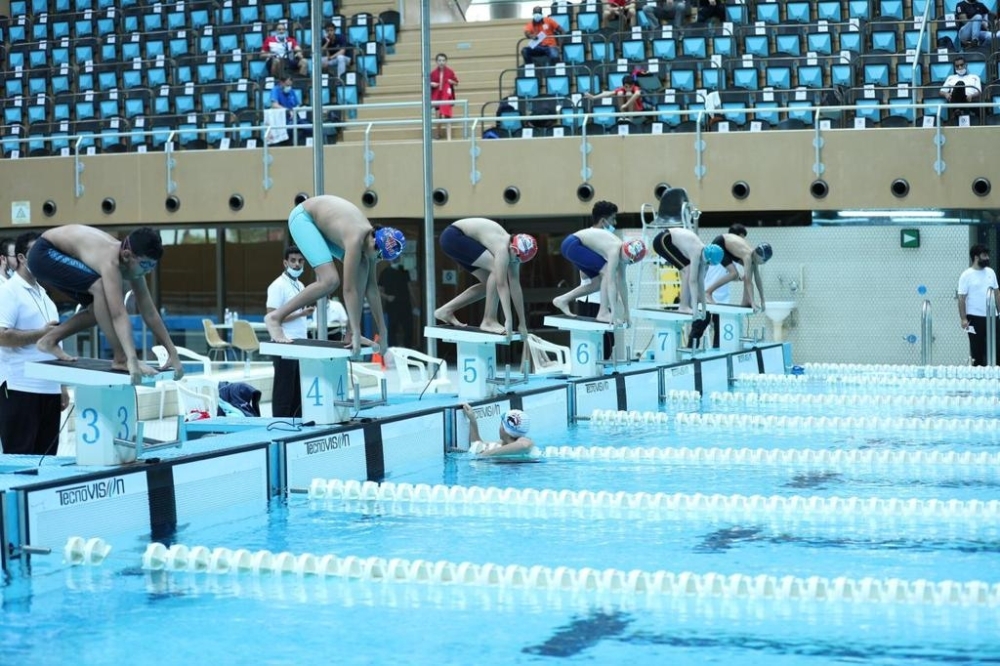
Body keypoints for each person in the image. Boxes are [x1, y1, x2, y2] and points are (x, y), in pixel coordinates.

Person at [26, 226, 184, 384]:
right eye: (145, 265)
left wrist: (173, 352)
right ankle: (120, 358)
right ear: (127, 255)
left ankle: (49, 340)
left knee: (99, 309)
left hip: (62, 255)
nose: (148, 271)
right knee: (100, 288)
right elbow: (118, 314)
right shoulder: (110, 262)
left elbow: (150, 312)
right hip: (43, 253)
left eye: (152, 266)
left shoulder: (133, 261)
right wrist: (131, 359)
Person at [264, 195, 406, 359]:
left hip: (321, 225)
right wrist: (358, 329)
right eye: (378, 254)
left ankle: (350, 333)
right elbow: (349, 289)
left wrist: (383, 330)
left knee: (363, 267)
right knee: (330, 280)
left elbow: (372, 289)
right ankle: (275, 317)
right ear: (375, 240)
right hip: (303, 219)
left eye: (382, 258)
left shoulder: (371, 244)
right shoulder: (356, 238)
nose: (377, 259)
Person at [0, 232, 70, 455]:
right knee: (20, 458)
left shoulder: (45, 296)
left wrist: (61, 386)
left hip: (49, 389)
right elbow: (1, 336)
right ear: (21, 258)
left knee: (46, 459)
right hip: (20, 387)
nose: (43, 259)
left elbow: (55, 344)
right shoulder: (8, 291)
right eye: (37, 253)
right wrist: (40, 334)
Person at [435, 218, 538, 337]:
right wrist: (508, 320)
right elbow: (501, 284)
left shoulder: (514, 252)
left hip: (456, 240)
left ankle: (445, 311)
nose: (514, 263)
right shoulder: (502, 248)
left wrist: (522, 323)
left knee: (489, 285)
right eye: (515, 259)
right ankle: (489, 320)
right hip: (453, 237)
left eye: (518, 262)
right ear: (513, 249)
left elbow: (515, 286)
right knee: (495, 271)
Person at [552, 228, 648, 327]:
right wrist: (613, 312)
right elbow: (611, 283)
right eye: (628, 260)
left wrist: (627, 311)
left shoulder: (623, 254)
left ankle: (562, 300)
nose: (626, 263)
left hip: (572, 246)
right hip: (573, 244)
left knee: (596, 284)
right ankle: (603, 312)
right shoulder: (614, 251)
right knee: (606, 271)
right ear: (626, 250)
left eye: (630, 262)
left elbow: (622, 283)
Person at [266, 245, 315, 418]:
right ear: (285, 263)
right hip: (284, 343)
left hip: (299, 343)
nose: (297, 264)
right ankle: (281, 423)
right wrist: (301, 314)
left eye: (300, 261)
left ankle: (297, 421)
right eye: (293, 261)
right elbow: (272, 317)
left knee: (297, 390)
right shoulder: (278, 286)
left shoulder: (300, 285)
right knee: (284, 390)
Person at [689, 224, 747, 348]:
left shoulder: (733, 256)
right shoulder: (718, 252)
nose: (742, 243)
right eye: (741, 239)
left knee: (720, 334)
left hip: (722, 300)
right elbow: (731, 273)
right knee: (698, 329)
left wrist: (740, 278)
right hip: (707, 298)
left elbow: (728, 275)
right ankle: (690, 353)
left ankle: (717, 356)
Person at [651, 227, 723, 318]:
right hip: (663, 239)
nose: (707, 265)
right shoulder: (696, 252)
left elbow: (700, 282)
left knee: (688, 269)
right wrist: (695, 309)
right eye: (708, 263)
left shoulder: (704, 254)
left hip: (670, 239)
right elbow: (693, 281)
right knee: (687, 269)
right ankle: (683, 306)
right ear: (708, 259)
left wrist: (704, 309)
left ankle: (686, 306)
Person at [704, 232, 772, 312]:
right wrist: (753, 302)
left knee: (749, 271)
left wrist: (762, 300)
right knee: (734, 274)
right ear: (761, 258)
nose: (763, 263)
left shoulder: (754, 256)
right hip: (720, 244)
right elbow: (749, 282)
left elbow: (758, 279)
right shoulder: (748, 256)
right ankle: (708, 292)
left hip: (728, 247)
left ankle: (746, 300)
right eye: (764, 261)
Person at [958, 243, 1000, 366]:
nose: (987, 258)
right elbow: (961, 298)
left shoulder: (991, 272)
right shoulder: (966, 275)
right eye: (984, 255)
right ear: (976, 257)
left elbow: (997, 293)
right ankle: (978, 373)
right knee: (977, 349)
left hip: (992, 316)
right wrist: (963, 318)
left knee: (996, 346)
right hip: (974, 318)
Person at [458, 403, 538, 459]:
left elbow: (525, 445)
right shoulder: (502, 444)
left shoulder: (524, 441)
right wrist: (473, 420)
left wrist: (486, 454)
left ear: (504, 429)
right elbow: (478, 445)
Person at [378, 260, 414, 349]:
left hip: (405, 304)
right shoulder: (385, 273)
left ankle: (408, 348)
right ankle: (392, 349)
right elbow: (379, 291)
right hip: (392, 305)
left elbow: (410, 288)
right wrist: (387, 297)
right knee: (392, 329)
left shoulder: (404, 270)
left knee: (408, 328)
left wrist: (414, 303)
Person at [430, 53, 459, 140]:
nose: (441, 62)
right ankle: (438, 134)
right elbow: (427, 83)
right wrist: (431, 84)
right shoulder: (433, 73)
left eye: (443, 60)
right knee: (438, 116)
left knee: (447, 116)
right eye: (439, 60)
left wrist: (451, 81)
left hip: (446, 97)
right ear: (436, 62)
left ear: (446, 61)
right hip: (437, 97)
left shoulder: (450, 72)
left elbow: (456, 82)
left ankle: (449, 137)